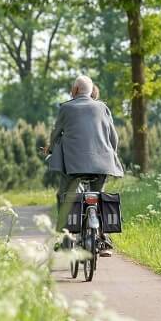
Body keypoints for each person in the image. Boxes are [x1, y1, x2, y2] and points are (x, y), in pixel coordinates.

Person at [45, 75, 124, 255]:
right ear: (91, 91)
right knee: (99, 196)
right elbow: (114, 138)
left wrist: (50, 148)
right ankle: (103, 239)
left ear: (75, 90)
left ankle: (65, 238)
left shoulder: (66, 108)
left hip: (74, 167)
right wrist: (113, 153)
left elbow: (56, 133)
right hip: (102, 164)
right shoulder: (103, 107)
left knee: (65, 196)